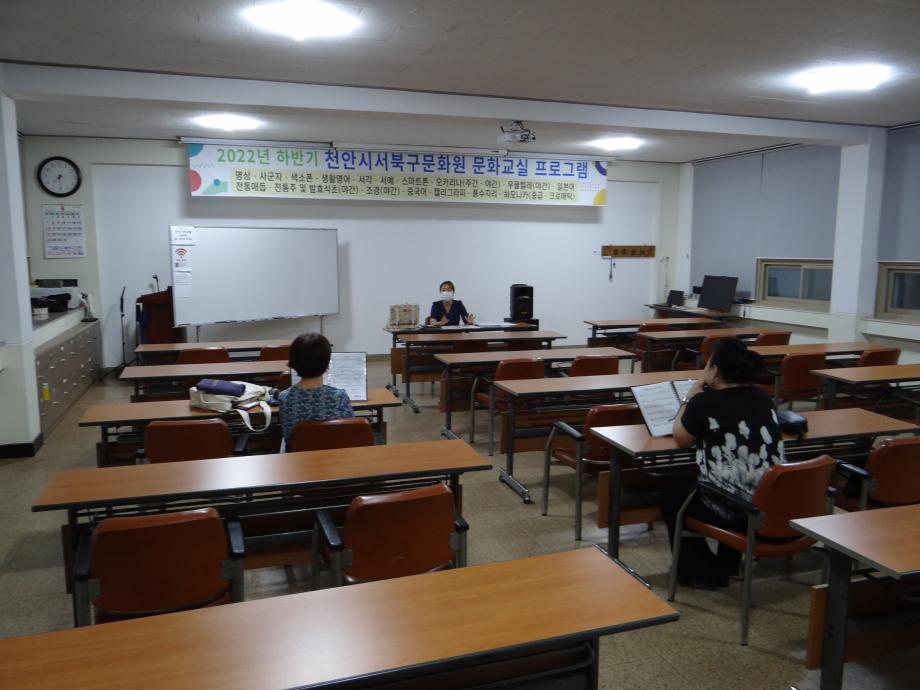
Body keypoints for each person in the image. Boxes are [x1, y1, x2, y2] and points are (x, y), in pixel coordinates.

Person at [662, 338, 785, 588]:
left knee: (672, 496)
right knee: (734, 476)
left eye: (707, 364)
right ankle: (727, 564)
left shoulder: (703, 403)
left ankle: (703, 572)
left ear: (715, 370)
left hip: (738, 508)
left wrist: (688, 399)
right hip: (770, 502)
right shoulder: (762, 397)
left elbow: (681, 439)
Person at [278, 333, 353, 450]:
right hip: (335, 457)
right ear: (327, 362)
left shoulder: (285, 397)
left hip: (299, 458)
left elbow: (288, 438)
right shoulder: (340, 397)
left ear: (293, 362)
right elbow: (349, 432)